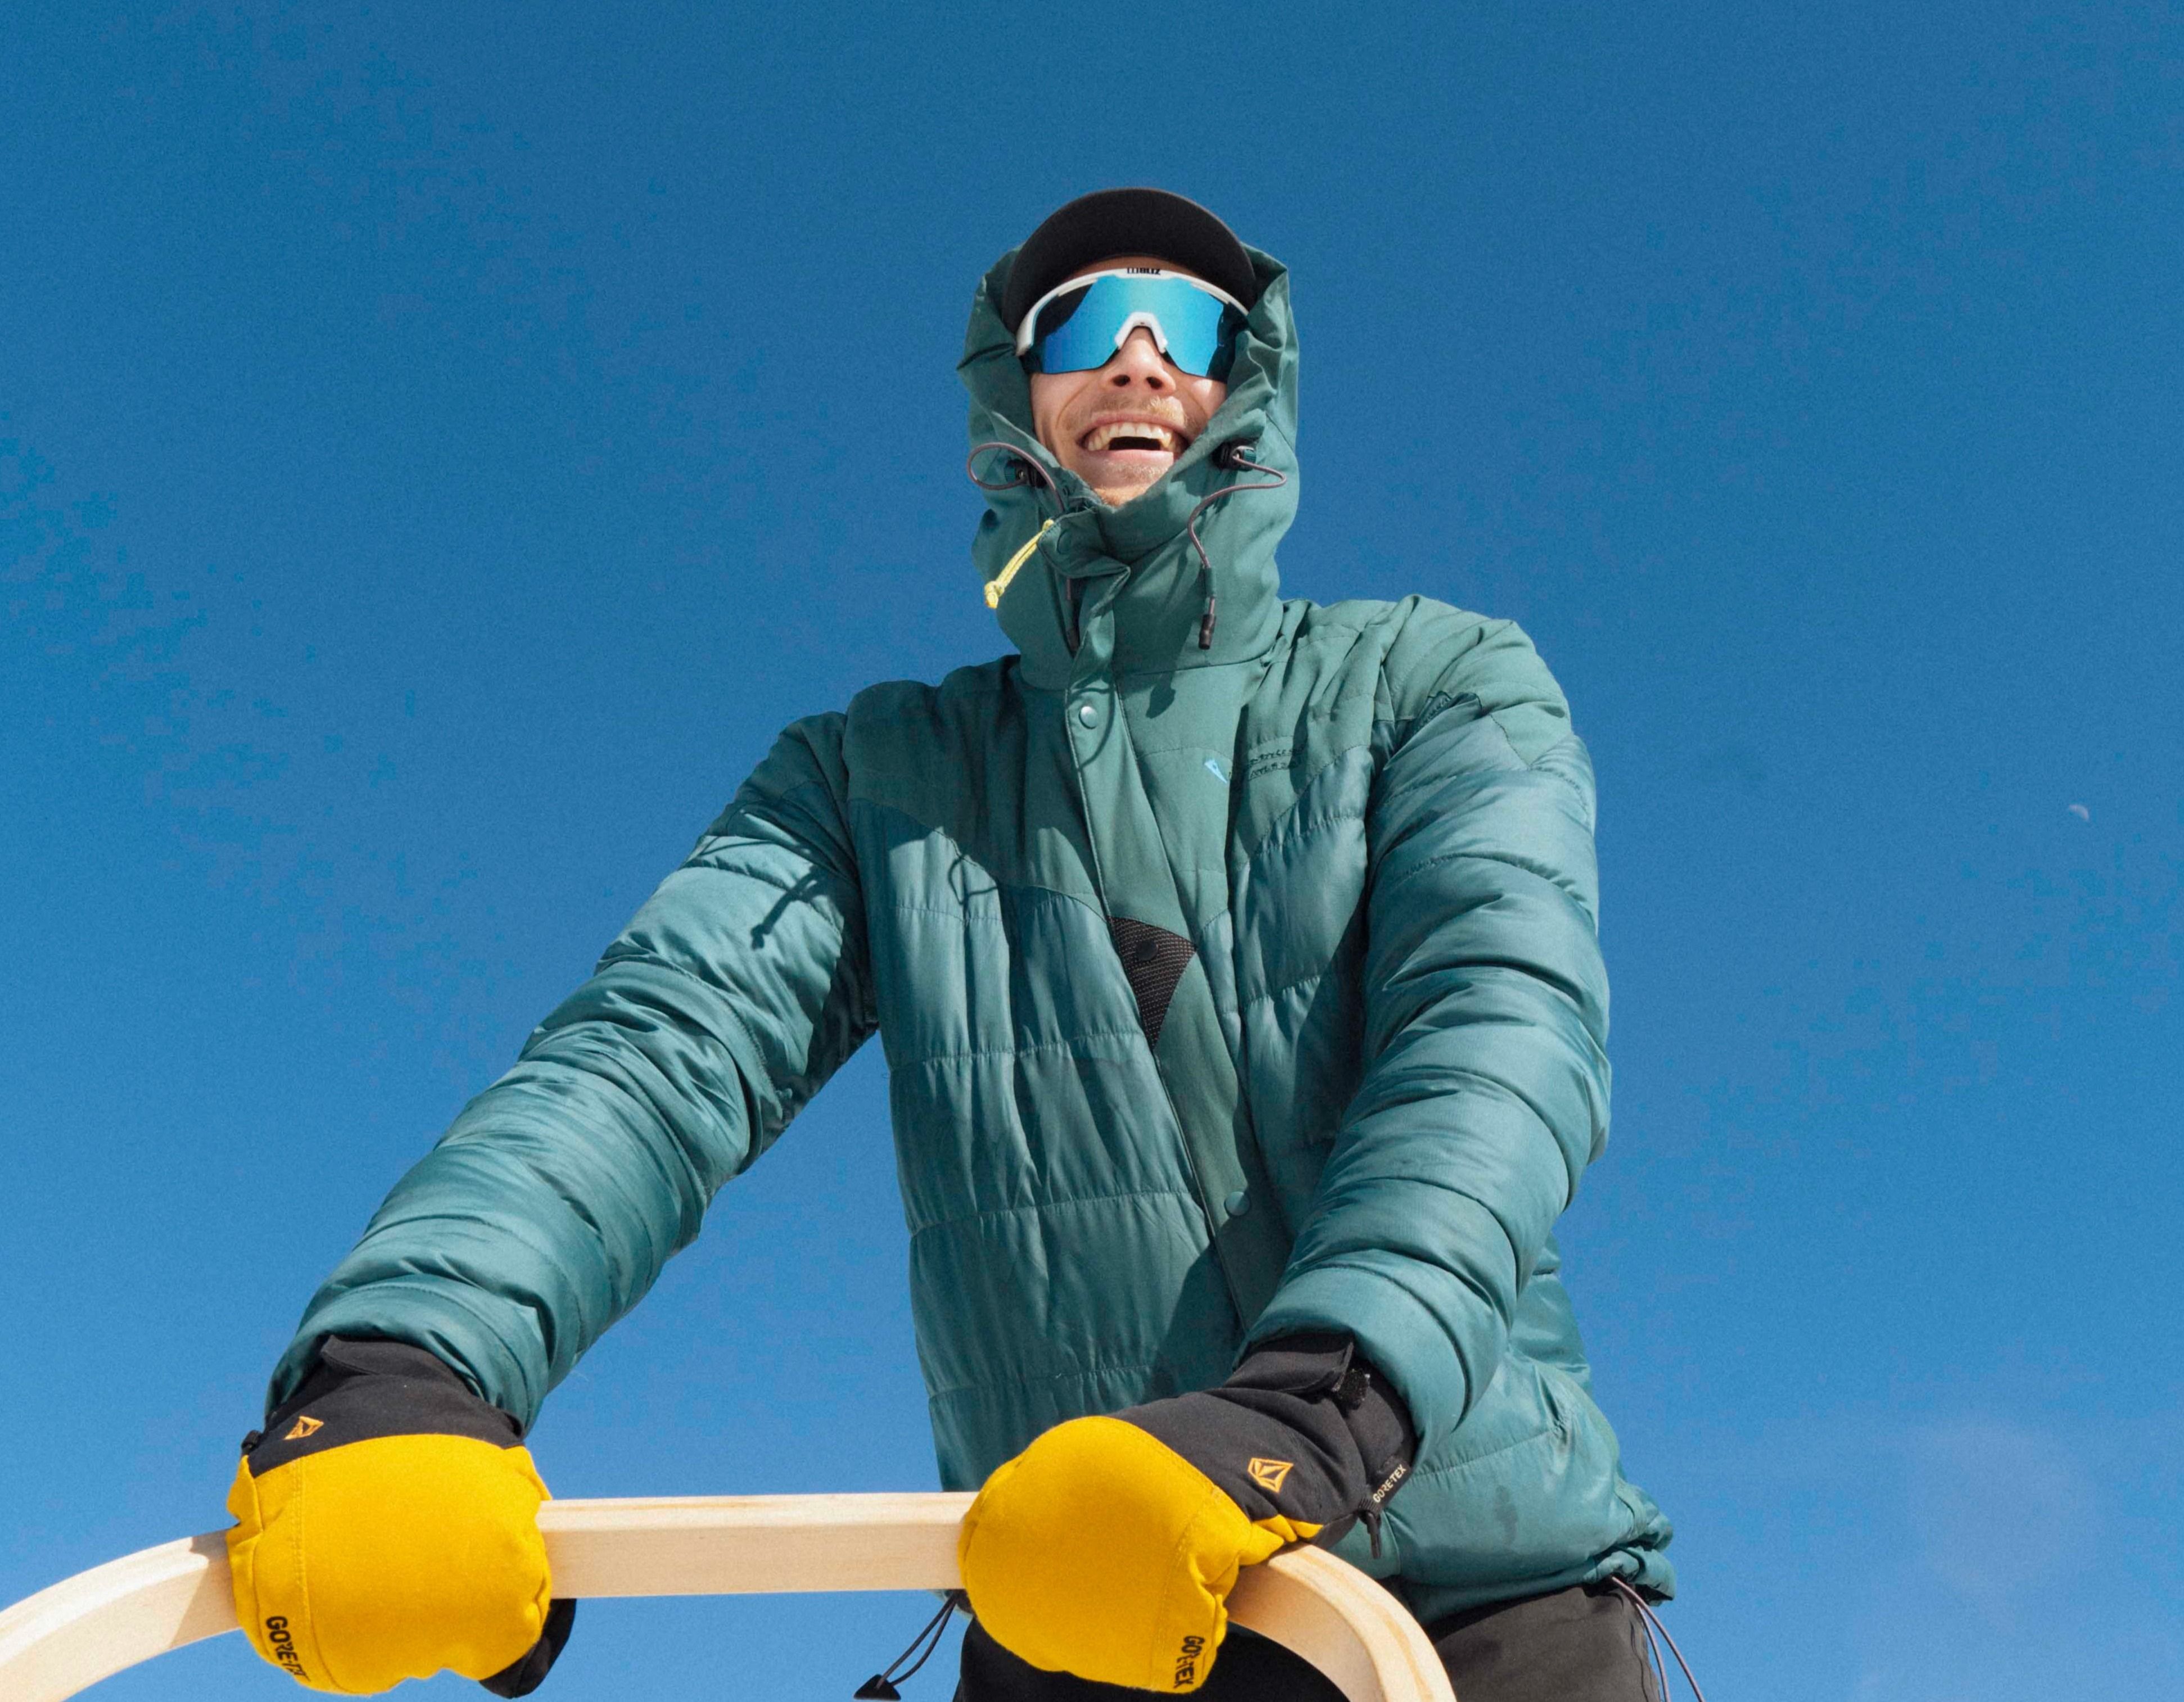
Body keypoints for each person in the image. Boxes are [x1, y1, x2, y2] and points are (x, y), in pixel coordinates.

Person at [221, 188, 1675, 1701]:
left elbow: (1499, 1033)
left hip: (1463, 1596)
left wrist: (1327, 1394)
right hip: (1074, 1607)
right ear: (1015, 393)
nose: (1133, 358)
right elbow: (654, 1055)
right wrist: (398, 1361)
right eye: (1076, 326)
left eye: (1183, 323)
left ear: (1250, 380)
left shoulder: (1435, 680)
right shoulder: (874, 775)